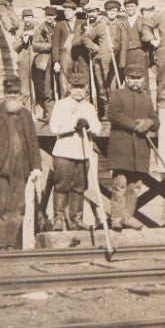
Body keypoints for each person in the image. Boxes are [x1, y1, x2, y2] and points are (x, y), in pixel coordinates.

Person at [0, 76, 43, 250]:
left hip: (21, 167)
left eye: (16, 92)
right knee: (2, 205)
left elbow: (33, 142)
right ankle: (0, 244)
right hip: (1, 167)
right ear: (4, 93)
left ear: (20, 94)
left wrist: (37, 166)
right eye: (9, 93)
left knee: (19, 206)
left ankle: (13, 243)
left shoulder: (26, 115)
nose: (12, 96)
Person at [107, 57, 159, 230]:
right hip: (122, 149)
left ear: (143, 80)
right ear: (127, 79)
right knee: (120, 185)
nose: (136, 81)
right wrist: (134, 125)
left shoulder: (146, 98)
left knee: (135, 186)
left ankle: (128, 217)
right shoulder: (118, 95)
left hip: (140, 150)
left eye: (139, 78)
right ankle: (116, 219)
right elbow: (114, 115)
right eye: (132, 78)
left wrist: (149, 123)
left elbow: (155, 119)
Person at [48, 72, 102, 231]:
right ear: (70, 88)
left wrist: (90, 128)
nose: (78, 91)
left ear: (86, 89)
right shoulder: (61, 105)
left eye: (81, 88)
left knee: (79, 187)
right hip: (64, 152)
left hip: (83, 153)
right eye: (75, 87)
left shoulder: (89, 107)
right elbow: (54, 127)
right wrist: (73, 126)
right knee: (61, 187)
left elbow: (97, 127)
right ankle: (58, 219)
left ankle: (76, 219)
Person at [86, 0, 125, 113]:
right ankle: (106, 111)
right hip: (101, 62)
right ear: (106, 12)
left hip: (116, 62)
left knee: (113, 88)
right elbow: (86, 38)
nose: (112, 12)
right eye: (109, 10)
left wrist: (117, 47)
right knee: (102, 87)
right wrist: (94, 47)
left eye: (114, 10)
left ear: (118, 12)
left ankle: (114, 111)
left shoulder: (122, 25)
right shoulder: (101, 26)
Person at [31, 5, 58, 118]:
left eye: (52, 15)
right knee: (47, 87)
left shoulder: (59, 27)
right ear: (45, 15)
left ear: (55, 16)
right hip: (46, 60)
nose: (49, 17)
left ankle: (61, 112)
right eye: (48, 15)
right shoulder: (40, 29)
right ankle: (50, 113)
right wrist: (50, 46)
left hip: (58, 59)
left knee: (61, 86)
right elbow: (35, 45)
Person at [51, 1, 83, 94]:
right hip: (65, 58)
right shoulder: (60, 24)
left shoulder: (82, 23)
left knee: (79, 83)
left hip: (79, 57)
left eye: (68, 11)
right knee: (64, 85)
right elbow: (55, 44)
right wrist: (56, 61)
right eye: (65, 11)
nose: (66, 13)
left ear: (75, 11)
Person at [118, 0, 150, 81]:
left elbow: (149, 37)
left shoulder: (143, 21)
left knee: (142, 80)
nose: (130, 8)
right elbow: (117, 41)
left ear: (136, 7)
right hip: (127, 55)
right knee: (129, 79)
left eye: (132, 6)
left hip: (140, 53)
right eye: (127, 6)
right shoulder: (122, 23)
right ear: (125, 8)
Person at [13, 8, 37, 103]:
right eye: (26, 17)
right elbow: (15, 47)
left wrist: (33, 35)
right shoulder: (19, 31)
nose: (28, 19)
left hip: (36, 59)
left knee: (37, 85)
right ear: (23, 19)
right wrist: (22, 40)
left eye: (30, 17)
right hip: (23, 61)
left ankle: (38, 111)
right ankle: (27, 110)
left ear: (33, 18)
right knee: (25, 88)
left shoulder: (38, 29)